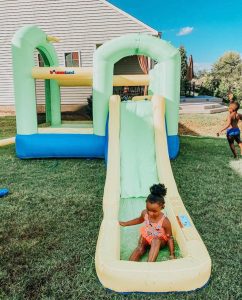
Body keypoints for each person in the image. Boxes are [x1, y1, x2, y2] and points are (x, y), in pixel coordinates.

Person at [119, 183, 175, 262]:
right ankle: (130, 264)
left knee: (156, 240)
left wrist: (172, 254)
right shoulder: (145, 213)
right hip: (148, 236)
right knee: (140, 246)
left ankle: (149, 265)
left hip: (160, 241)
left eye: (154, 211)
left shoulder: (165, 221)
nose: (150, 213)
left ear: (162, 207)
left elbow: (169, 238)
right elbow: (139, 220)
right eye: (148, 209)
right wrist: (126, 223)